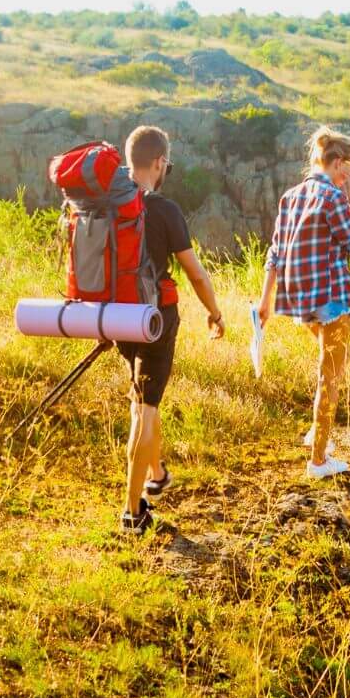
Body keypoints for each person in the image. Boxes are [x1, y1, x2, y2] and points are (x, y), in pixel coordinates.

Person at [117, 125, 225, 533]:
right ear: (160, 162)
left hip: (115, 317)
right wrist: (215, 311)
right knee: (142, 409)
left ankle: (157, 472)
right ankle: (133, 512)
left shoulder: (111, 204)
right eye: (168, 165)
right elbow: (194, 273)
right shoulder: (163, 209)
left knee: (146, 392)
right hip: (154, 320)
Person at [257, 127, 350, 479]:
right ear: (337, 164)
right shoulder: (334, 197)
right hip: (333, 298)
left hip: (302, 301)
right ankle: (319, 460)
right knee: (329, 377)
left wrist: (265, 300)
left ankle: (316, 432)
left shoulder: (291, 196)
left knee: (338, 361)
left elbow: (275, 252)